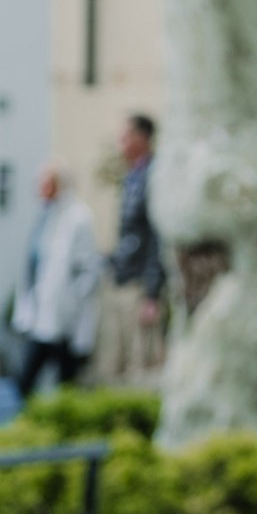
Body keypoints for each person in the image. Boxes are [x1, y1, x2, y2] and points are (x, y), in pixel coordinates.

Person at [12, 163, 103, 398]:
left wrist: (71, 303)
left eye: (45, 184)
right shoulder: (46, 216)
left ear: (59, 185)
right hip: (43, 313)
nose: (39, 189)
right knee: (28, 379)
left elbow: (89, 270)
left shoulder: (78, 218)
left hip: (67, 319)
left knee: (65, 381)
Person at [98, 113, 167, 382]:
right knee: (116, 359)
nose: (121, 143)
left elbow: (156, 237)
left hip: (140, 285)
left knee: (142, 364)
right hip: (123, 278)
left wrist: (152, 293)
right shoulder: (132, 177)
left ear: (143, 138)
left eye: (126, 137)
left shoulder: (155, 176)